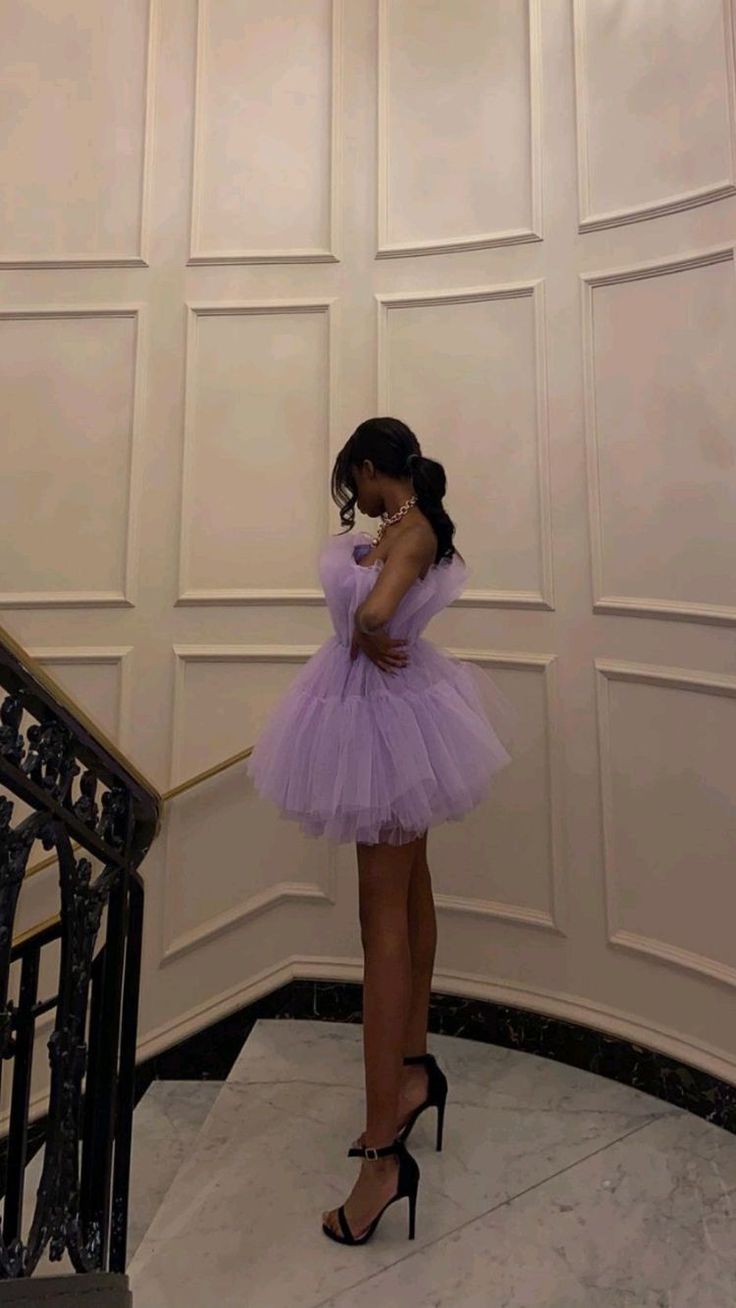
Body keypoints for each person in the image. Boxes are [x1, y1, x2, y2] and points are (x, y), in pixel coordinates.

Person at [246, 416, 514, 1246]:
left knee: (380, 922)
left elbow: (378, 613)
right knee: (411, 892)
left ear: (369, 468)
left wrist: (365, 626)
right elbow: (386, 577)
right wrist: (373, 579)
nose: (354, 501)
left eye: (354, 484)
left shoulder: (411, 533)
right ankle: (413, 1073)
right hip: (403, 718)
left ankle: (380, 1159)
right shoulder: (409, 525)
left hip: (385, 722)